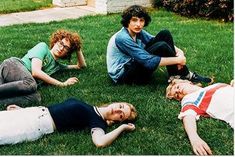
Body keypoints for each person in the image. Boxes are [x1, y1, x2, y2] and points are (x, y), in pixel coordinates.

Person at [106, 5, 212, 84]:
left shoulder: (138, 32)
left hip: (133, 65)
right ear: (127, 22)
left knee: (164, 34)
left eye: (141, 21)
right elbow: (148, 61)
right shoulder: (122, 37)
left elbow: (155, 40)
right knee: (161, 46)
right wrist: (178, 60)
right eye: (134, 20)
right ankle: (184, 74)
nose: (138, 24)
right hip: (124, 77)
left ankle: (177, 75)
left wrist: (180, 52)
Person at [0, 98, 137, 147]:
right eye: (120, 106)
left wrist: (123, 128)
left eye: (121, 116)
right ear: (116, 102)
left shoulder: (97, 121)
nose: (117, 111)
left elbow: (100, 142)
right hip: (33, 113)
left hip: (34, 126)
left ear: (116, 121)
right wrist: (23, 110)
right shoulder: (92, 108)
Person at [0, 29, 86, 106]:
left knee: (36, 98)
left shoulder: (57, 66)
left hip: (19, 83)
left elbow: (81, 66)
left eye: (66, 48)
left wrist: (77, 48)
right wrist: (62, 84)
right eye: (61, 43)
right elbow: (36, 72)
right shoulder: (42, 47)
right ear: (56, 41)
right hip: (12, 66)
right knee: (31, 84)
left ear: (68, 52)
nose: (61, 48)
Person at [166, 79, 234, 155]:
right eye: (177, 95)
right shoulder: (189, 99)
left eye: (177, 87)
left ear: (187, 82)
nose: (178, 91)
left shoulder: (213, 86)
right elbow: (188, 116)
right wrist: (194, 138)